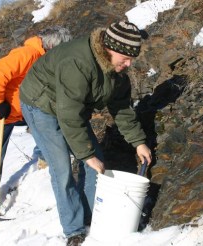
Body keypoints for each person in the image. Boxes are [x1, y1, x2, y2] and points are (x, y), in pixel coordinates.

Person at [19, 21, 152, 246]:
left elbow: (120, 108)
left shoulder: (117, 72)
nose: (129, 64)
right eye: (126, 58)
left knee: (95, 161)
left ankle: (91, 215)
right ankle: (74, 229)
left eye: (132, 59)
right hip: (40, 104)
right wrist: (86, 154)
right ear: (111, 48)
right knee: (62, 168)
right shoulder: (78, 62)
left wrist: (139, 142)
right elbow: (68, 114)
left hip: (68, 107)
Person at [0, 26, 72, 217]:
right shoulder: (27, 53)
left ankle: (42, 155)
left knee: (46, 122)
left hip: (16, 113)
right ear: (53, 45)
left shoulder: (46, 59)